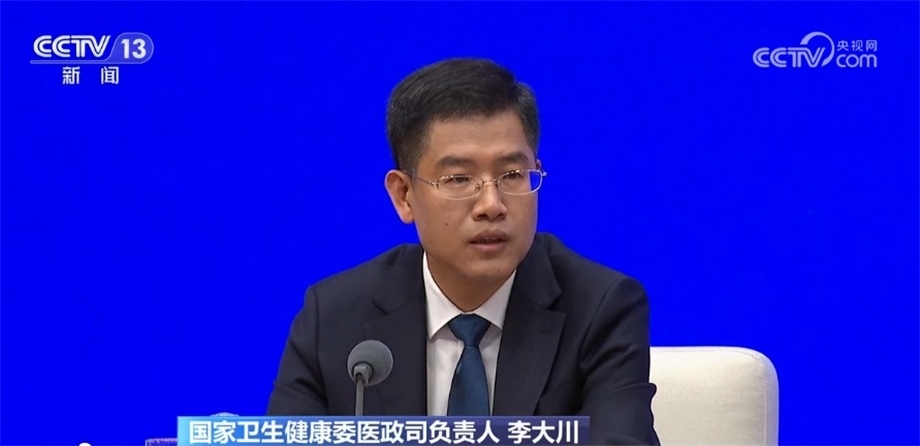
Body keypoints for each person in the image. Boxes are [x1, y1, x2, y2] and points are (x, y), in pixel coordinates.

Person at [266, 58, 660, 445]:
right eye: (458, 179)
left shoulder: (600, 309)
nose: (492, 204)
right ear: (404, 195)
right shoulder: (335, 319)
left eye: (512, 175)